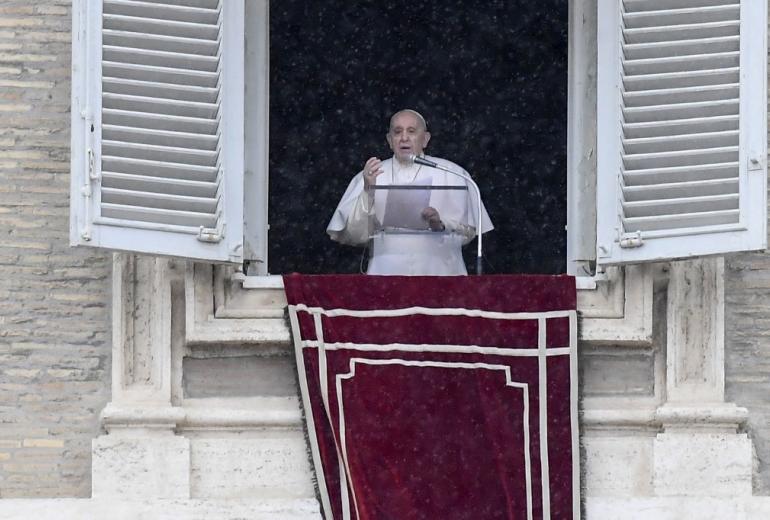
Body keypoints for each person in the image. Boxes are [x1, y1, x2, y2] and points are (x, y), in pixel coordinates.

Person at [327, 109, 493, 275]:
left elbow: (468, 232)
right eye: (397, 132)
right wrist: (368, 191)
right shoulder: (370, 175)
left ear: (425, 139)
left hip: (441, 273)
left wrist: (440, 224)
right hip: (386, 274)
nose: (404, 137)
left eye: (411, 131)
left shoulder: (453, 173)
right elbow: (354, 235)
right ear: (389, 140)